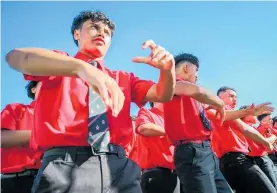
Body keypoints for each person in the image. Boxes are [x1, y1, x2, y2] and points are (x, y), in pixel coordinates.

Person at [6, 10, 175, 193]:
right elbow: (16, 57)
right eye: (94, 27)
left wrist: (168, 70)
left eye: (107, 32)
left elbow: (162, 94)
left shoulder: (123, 78)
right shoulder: (60, 64)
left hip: (119, 167)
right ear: (77, 34)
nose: (102, 33)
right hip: (65, 165)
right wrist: (80, 68)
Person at [163, 53, 233, 193]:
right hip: (192, 151)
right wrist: (219, 102)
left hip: (207, 153)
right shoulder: (172, 83)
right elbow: (197, 90)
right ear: (187, 68)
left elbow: (222, 115)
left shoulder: (193, 99)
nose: (197, 76)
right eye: (196, 70)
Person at [207, 87, 276, 193]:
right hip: (237, 160)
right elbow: (245, 129)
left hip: (228, 163)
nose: (235, 99)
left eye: (236, 97)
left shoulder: (217, 112)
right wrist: (266, 141)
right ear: (219, 97)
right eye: (231, 96)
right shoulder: (221, 109)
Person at [1, 81, 43, 193]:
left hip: (52, 178)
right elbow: (2, 138)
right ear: (33, 89)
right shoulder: (15, 109)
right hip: (16, 180)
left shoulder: (60, 117)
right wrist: (45, 134)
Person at [136, 102, 180, 193]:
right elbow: (143, 128)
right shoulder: (147, 112)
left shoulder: (171, 120)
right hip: (156, 174)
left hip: (175, 174)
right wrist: (170, 132)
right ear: (154, 100)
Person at [240, 105, 277, 189]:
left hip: (265, 157)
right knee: (271, 185)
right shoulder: (252, 128)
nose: (255, 115)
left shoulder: (254, 128)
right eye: (253, 113)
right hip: (259, 158)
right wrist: (273, 137)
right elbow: (265, 142)